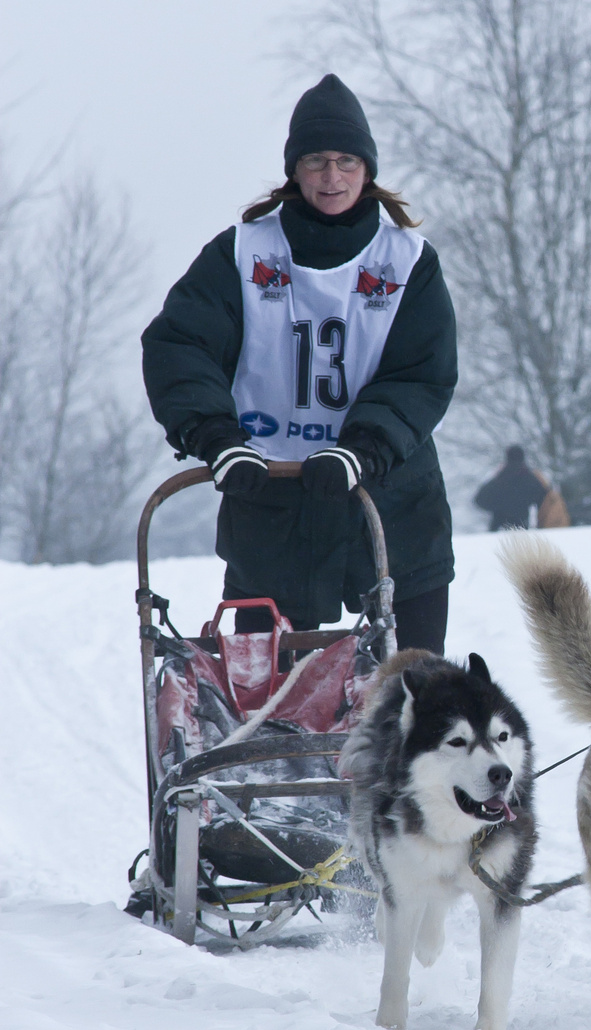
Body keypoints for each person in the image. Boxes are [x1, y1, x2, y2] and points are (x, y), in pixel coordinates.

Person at [142, 74, 457, 653]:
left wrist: (362, 450)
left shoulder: (408, 262)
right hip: (269, 506)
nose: (331, 177)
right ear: (294, 169)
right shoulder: (242, 254)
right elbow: (180, 345)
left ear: (367, 169)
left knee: (412, 710)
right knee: (274, 712)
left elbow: (420, 376)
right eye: (315, 161)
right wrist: (215, 436)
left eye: (345, 161)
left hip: (390, 508)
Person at [474, 445, 555, 531]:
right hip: (521, 524)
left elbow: (479, 499)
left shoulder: (501, 478)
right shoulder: (529, 478)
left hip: (498, 525)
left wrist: (496, 506)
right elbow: (544, 498)